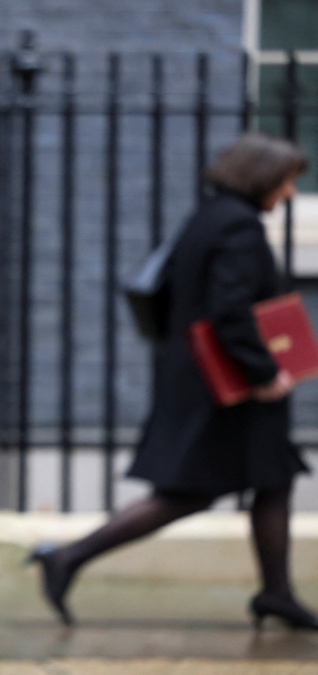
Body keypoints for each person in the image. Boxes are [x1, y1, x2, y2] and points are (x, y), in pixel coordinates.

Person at [30, 131, 312, 629]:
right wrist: (265, 372)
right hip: (230, 388)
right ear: (264, 177)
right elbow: (231, 312)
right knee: (188, 493)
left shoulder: (208, 217)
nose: (290, 193)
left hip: (199, 378)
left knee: (273, 480)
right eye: (288, 182)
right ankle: (68, 558)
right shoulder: (239, 229)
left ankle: (277, 592)